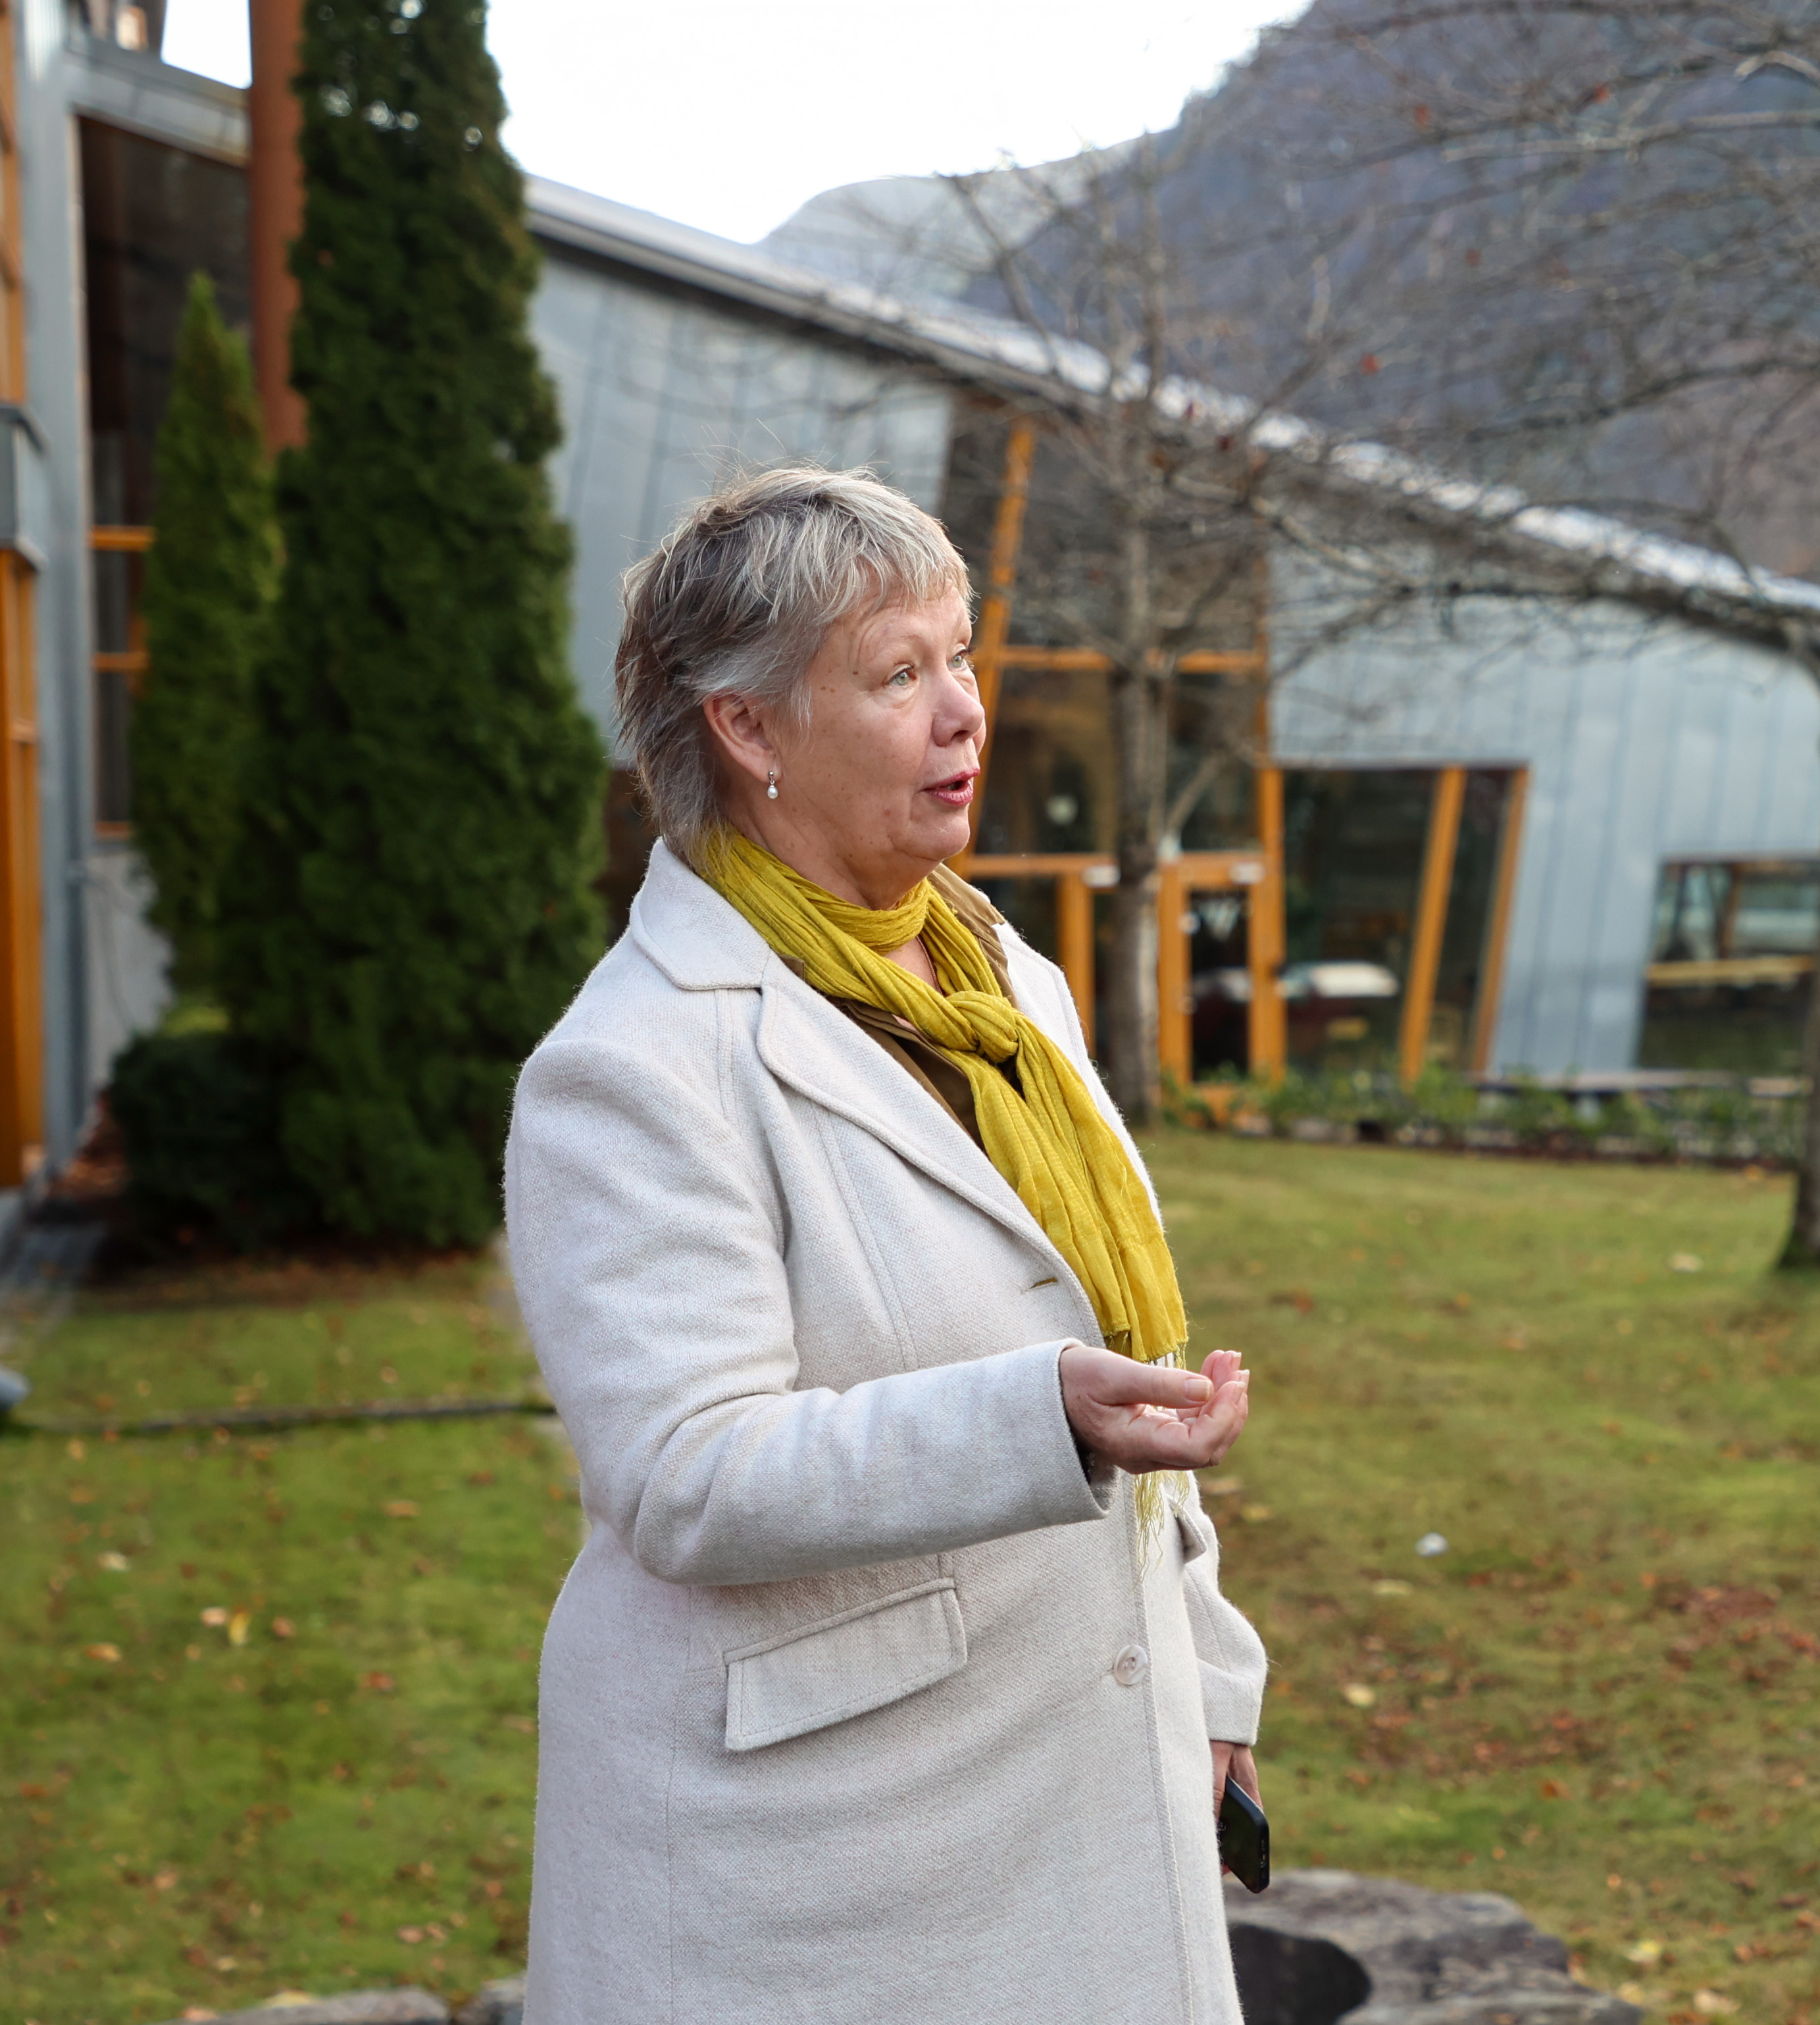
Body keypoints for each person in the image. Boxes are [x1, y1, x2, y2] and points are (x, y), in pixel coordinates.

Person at [504, 467, 1271, 2024]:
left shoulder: (1000, 979)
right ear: (752, 731)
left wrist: (1209, 1669)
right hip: (821, 1876)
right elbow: (684, 1472)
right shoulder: (634, 1068)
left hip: (1073, 1772)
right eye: (899, 674)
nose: (966, 713)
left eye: (963, 658)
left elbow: (1109, 1320)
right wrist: (1033, 1412)